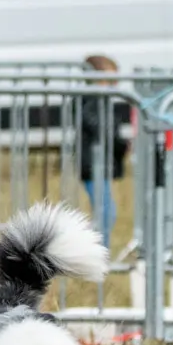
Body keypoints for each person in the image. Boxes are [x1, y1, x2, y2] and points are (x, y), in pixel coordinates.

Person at [73, 55, 131, 244]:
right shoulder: (91, 100)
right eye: (111, 79)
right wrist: (120, 143)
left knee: (105, 213)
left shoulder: (99, 99)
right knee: (105, 214)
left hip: (98, 164)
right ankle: (96, 254)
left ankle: (94, 252)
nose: (114, 84)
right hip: (93, 164)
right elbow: (100, 128)